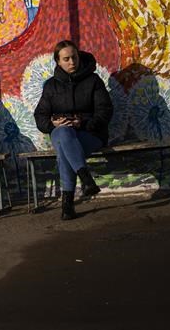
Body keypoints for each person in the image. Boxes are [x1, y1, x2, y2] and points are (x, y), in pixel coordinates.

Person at [34, 40, 113, 220]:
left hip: (90, 134)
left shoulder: (93, 81)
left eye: (74, 57)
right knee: (63, 134)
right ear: (58, 62)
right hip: (61, 132)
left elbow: (105, 110)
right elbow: (40, 116)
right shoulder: (51, 86)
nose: (72, 62)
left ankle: (67, 204)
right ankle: (85, 177)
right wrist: (53, 124)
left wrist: (82, 122)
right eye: (66, 59)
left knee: (64, 149)